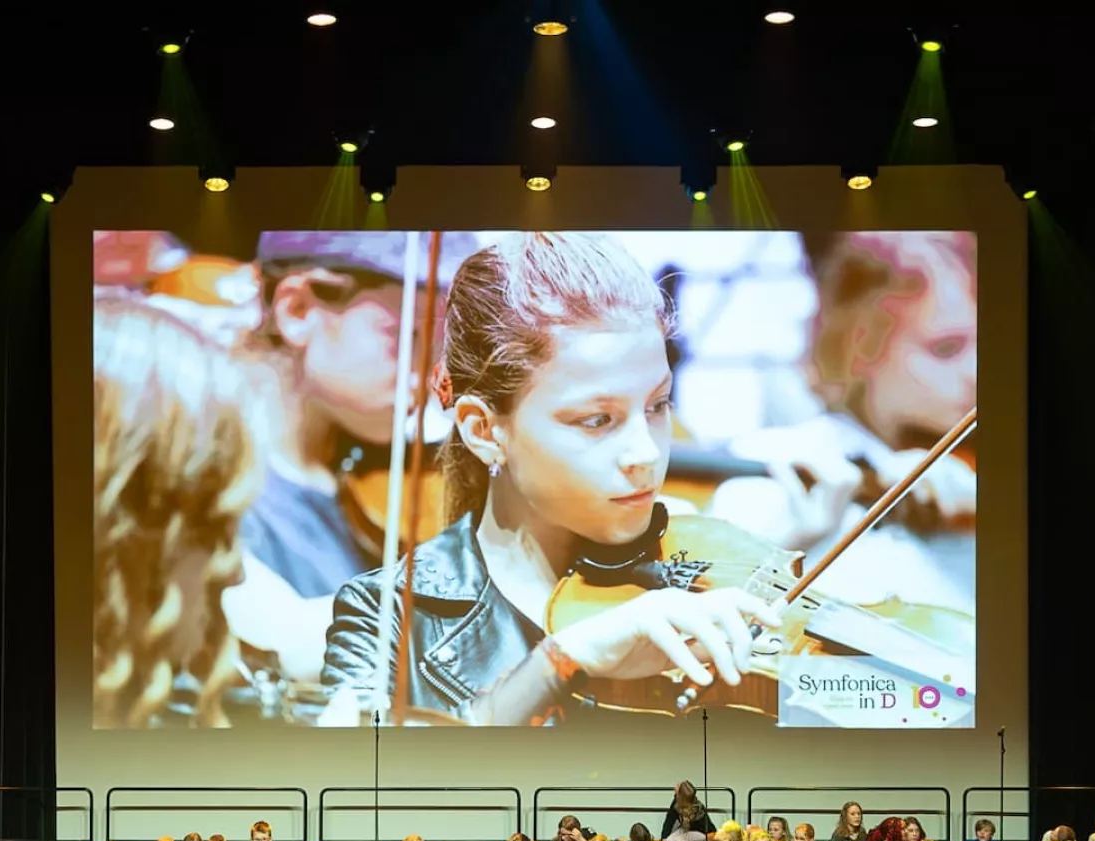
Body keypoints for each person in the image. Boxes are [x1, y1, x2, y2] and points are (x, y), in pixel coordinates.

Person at [321, 231, 868, 726]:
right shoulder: (387, 614)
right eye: (597, 420)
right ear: (484, 429)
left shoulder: (701, 559)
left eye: (657, 405)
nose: (645, 453)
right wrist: (562, 659)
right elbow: (364, 791)